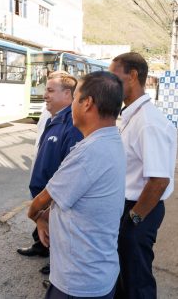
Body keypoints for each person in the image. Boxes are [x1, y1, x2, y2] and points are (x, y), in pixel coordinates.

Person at [28, 71, 126, 299]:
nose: (72, 105)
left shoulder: (88, 153)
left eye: (75, 99)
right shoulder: (112, 139)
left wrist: (38, 217)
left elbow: (42, 201)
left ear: (87, 103)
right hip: (99, 271)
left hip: (78, 281)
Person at [109, 52, 177, 299]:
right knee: (125, 273)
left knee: (137, 280)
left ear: (133, 76)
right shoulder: (134, 115)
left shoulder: (148, 122)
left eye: (114, 76)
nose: (110, 83)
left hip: (140, 208)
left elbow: (159, 180)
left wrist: (134, 219)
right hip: (130, 206)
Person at [17, 71, 83, 275]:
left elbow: (68, 174)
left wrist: (44, 207)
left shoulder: (71, 126)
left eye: (50, 91)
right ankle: (46, 252)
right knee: (48, 233)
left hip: (52, 199)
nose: (45, 95)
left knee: (61, 240)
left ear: (68, 95)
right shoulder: (52, 119)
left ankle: (59, 271)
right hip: (43, 195)